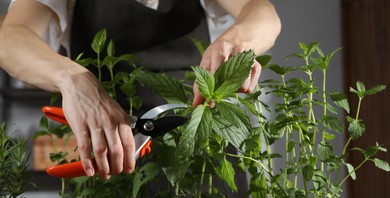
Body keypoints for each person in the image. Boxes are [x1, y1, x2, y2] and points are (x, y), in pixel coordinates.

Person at [0, 0, 281, 180]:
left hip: (207, 163)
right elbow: (10, 39)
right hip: (108, 160)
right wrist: (73, 78)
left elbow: (264, 14)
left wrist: (236, 40)